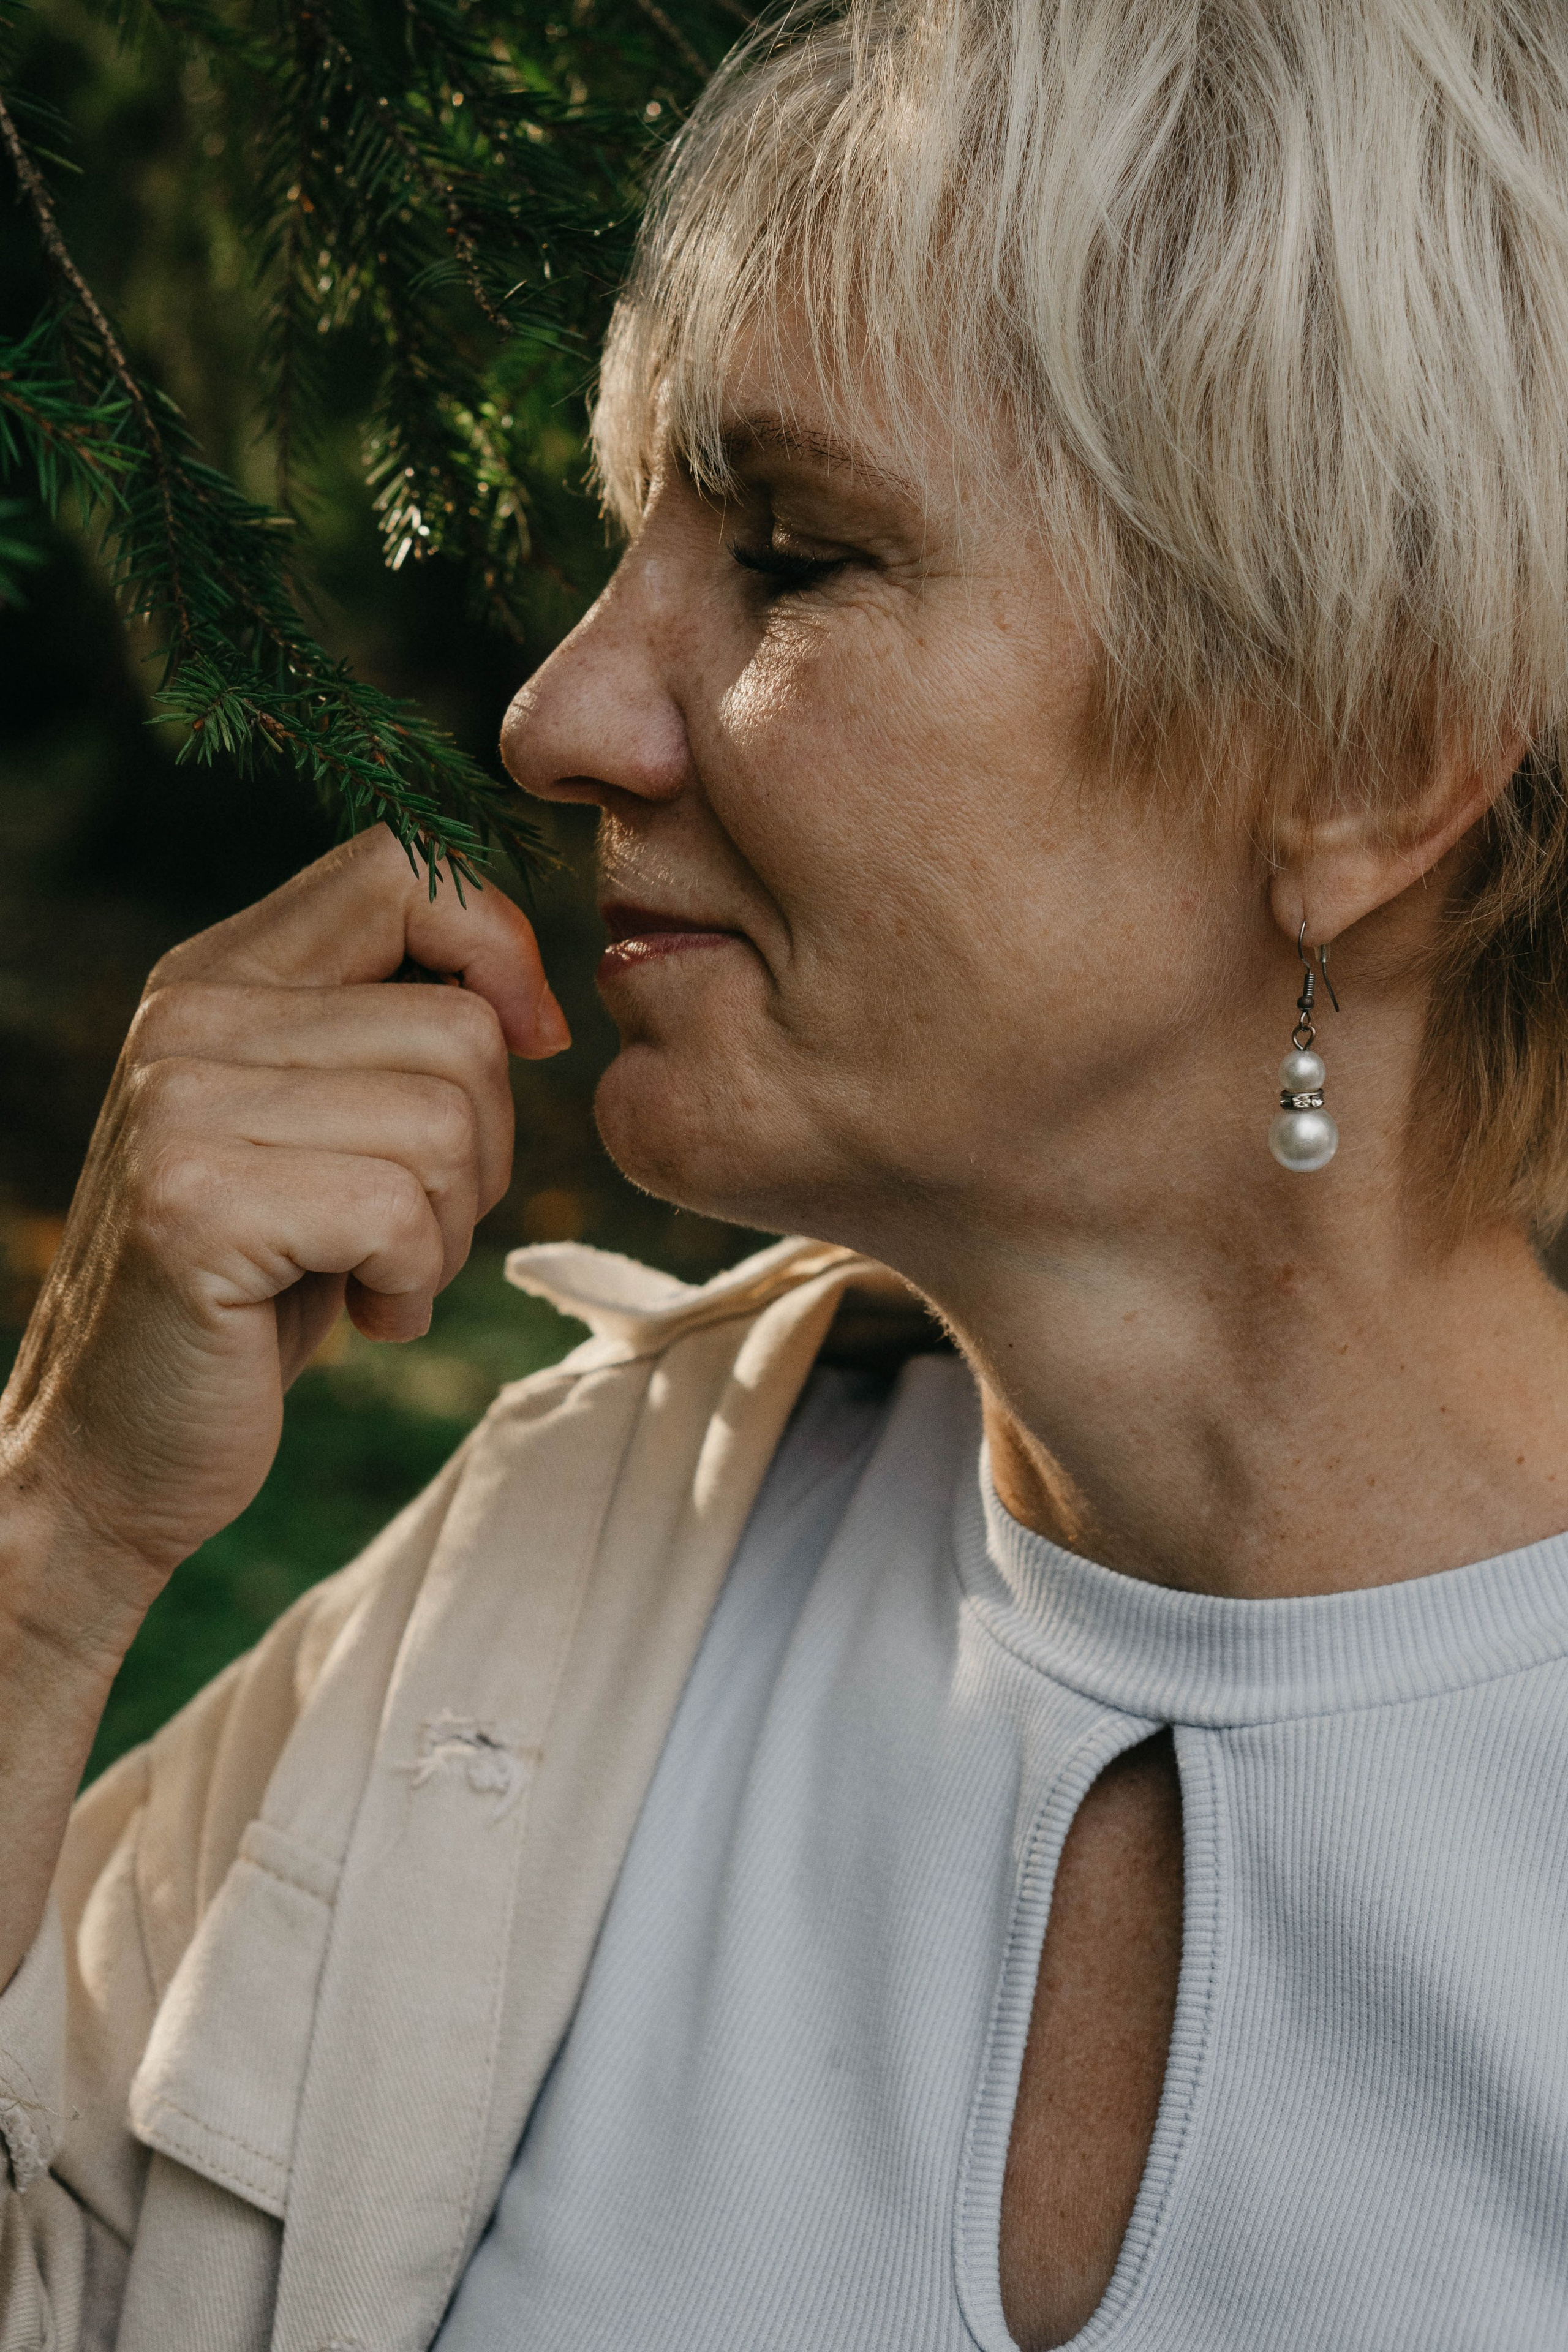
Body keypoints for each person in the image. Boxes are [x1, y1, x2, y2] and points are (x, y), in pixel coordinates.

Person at [7, 0, 1568, 2344]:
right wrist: (59, 1551)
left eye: (798, 558)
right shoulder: (551, 1581)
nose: (554, 717)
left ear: (1359, 766)